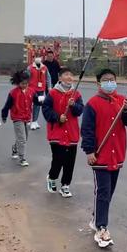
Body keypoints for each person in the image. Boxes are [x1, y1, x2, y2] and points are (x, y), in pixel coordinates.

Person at [81, 68, 127, 248]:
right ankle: (101, 228)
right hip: (100, 156)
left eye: (112, 79)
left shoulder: (122, 101)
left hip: (117, 154)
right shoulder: (92, 104)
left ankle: (96, 217)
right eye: (105, 80)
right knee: (103, 192)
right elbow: (87, 130)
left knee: (109, 192)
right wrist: (89, 151)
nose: (109, 83)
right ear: (98, 83)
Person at [42, 67, 83, 198]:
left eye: (71, 75)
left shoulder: (76, 94)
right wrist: (58, 117)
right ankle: (52, 177)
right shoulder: (53, 93)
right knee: (58, 160)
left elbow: (80, 110)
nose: (69, 77)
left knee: (70, 162)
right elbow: (46, 109)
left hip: (72, 133)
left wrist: (73, 105)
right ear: (60, 78)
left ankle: (65, 185)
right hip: (57, 134)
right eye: (66, 75)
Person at [1, 70, 39, 167]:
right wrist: (4, 115)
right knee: (22, 139)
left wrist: (42, 101)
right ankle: (22, 158)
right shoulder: (13, 93)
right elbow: (7, 105)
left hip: (27, 117)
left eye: (26, 83)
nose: (24, 85)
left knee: (24, 137)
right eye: (22, 83)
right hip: (17, 117)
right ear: (18, 83)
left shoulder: (31, 91)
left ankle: (15, 148)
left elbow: (36, 101)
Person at [28, 56, 51, 130]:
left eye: (39, 57)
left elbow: (48, 78)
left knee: (37, 105)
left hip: (41, 89)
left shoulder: (44, 68)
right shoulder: (30, 68)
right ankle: (29, 120)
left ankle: (35, 121)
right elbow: (26, 78)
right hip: (32, 89)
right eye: (36, 57)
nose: (38, 58)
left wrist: (49, 87)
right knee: (30, 105)